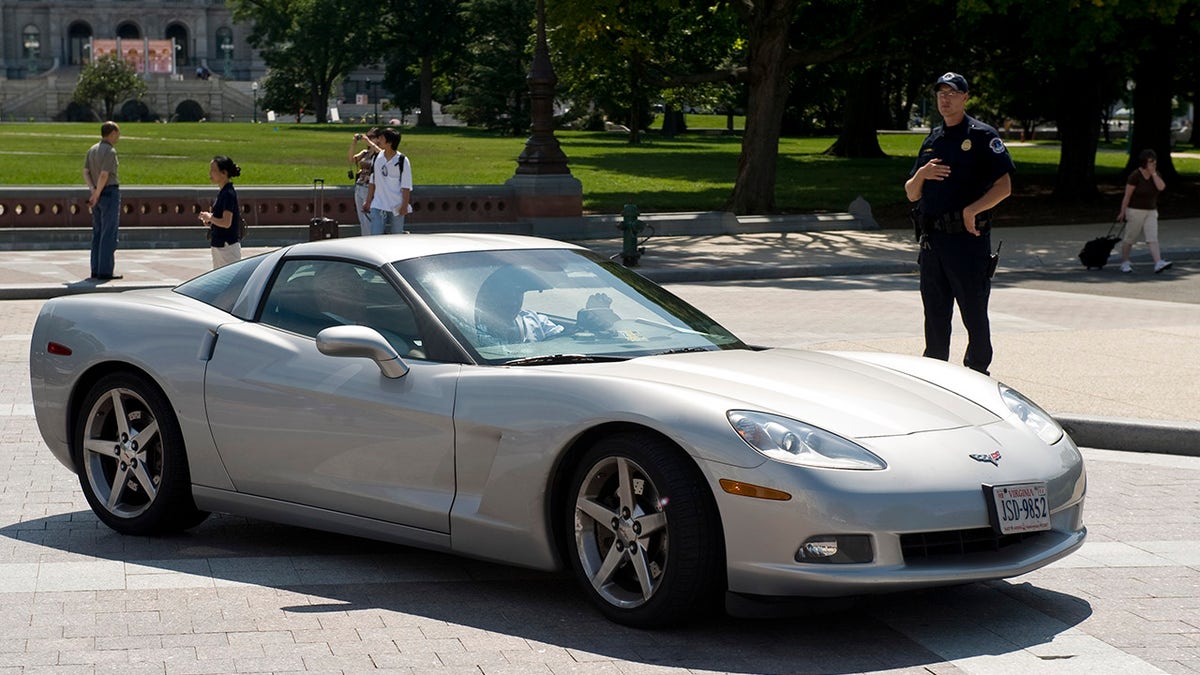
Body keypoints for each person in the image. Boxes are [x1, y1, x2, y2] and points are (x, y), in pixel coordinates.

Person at [904, 72, 1014, 375]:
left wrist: (972, 210)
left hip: (967, 241)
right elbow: (911, 192)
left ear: (965, 97)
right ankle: (935, 373)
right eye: (941, 93)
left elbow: (1004, 187)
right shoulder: (933, 139)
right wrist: (922, 175)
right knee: (935, 315)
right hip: (933, 243)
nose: (945, 99)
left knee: (973, 312)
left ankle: (977, 372)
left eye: (952, 93)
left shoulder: (981, 136)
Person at [474, 267, 564, 346]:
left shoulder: (535, 321)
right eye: (505, 294)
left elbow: (561, 341)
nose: (514, 301)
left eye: (518, 293)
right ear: (487, 297)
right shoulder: (474, 330)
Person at [1116, 149, 1171, 274]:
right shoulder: (1135, 175)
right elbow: (1127, 195)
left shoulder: (1156, 174)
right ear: (1144, 163)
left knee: (1152, 237)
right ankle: (1125, 261)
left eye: (1154, 162)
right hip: (1135, 210)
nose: (1153, 164)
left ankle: (1158, 262)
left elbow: (1161, 187)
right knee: (1130, 237)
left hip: (1151, 210)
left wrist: (1154, 174)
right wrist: (1122, 211)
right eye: (1150, 162)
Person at [83, 121, 122, 280]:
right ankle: (105, 271)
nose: (118, 137)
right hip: (108, 193)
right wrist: (97, 193)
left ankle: (96, 269)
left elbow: (85, 172)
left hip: (97, 194)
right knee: (108, 233)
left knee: (97, 232)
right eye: (117, 133)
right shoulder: (110, 151)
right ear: (112, 133)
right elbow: (104, 175)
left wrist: (92, 190)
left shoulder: (92, 150)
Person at [361, 127, 412, 235]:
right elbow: (372, 181)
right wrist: (368, 201)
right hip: (378, 205)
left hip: (396, 206)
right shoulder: (377, 157)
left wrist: (404, 206)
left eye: (382, 138)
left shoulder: (402, 161)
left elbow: (406, 186)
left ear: (389, 142)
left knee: (396, 237)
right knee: (375, 236)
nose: (378, 140)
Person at [198, 156, 243, 269]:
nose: (210, 174)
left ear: (224, 173)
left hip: (226, 247)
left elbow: (226, 222)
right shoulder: (224, 192)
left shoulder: (228, 194)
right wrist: (210, 219)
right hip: (221, 245)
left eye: (213, 170)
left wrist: (210, 217)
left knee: (227, 282)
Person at [348, 129, 381, 236]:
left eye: (372, 137)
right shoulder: (365, 153)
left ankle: (370, 238)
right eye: (368, 137)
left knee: (368, 218)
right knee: (362, 219)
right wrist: (354, 143)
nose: (369, 139)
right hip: (359, 186)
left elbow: (381, 153)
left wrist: (368, 142)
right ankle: (364, 237)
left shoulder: (379, 153)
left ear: (378, 139)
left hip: (370, 188)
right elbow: (351, 159)